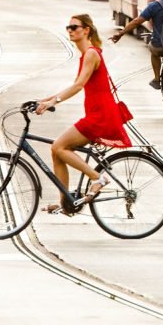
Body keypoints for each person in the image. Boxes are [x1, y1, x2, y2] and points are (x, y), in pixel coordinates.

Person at [35, 14, 129, 214]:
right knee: (57, 151)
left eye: (74, 27)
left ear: (86, 30)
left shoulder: (91, 54)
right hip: (97, 113)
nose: (70, 30)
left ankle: (98, 178)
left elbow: (79, 85)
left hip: (100, 116)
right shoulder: (86, 55)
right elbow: (74, 85)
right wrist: (44, 100)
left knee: (59, 146)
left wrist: (55, 101)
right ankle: (66, 203)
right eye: (68, 27)